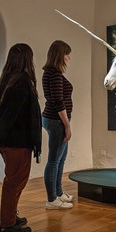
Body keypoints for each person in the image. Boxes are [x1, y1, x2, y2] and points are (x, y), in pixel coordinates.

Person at [0, 43, 42, 232]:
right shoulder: (22, 83)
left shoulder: (7, 81)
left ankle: (11, 216)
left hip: (8, 142)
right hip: (17, 142)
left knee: (15, 180)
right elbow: (10, 116)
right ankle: (7, 224)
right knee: (15, 182)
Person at [42, 40, 74, 209]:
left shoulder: (53, 72)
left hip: (56, 120)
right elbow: (58, 102)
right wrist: (67, 125)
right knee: (54, 160)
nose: (69, 57)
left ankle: (59, 193)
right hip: (57, 121)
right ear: (60, 54)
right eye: (67, 54)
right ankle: (52, 199)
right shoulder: (53, 74)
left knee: (60, 160)